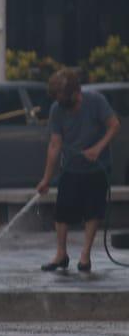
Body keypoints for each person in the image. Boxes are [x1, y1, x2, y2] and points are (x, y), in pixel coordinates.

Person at [37, 68, 120, 273]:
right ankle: (61, 254)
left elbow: (114, 125)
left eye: (66, 99)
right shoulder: (57, 110)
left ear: (77, 92)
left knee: (93, 211)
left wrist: (98, 148)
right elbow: (55, 145)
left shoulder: (96, 101)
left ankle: (85, 256)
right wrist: (46, 179)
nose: (62, 103)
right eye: (59, 100)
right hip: (71, 168)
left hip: (98, 167)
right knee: (62, 212)